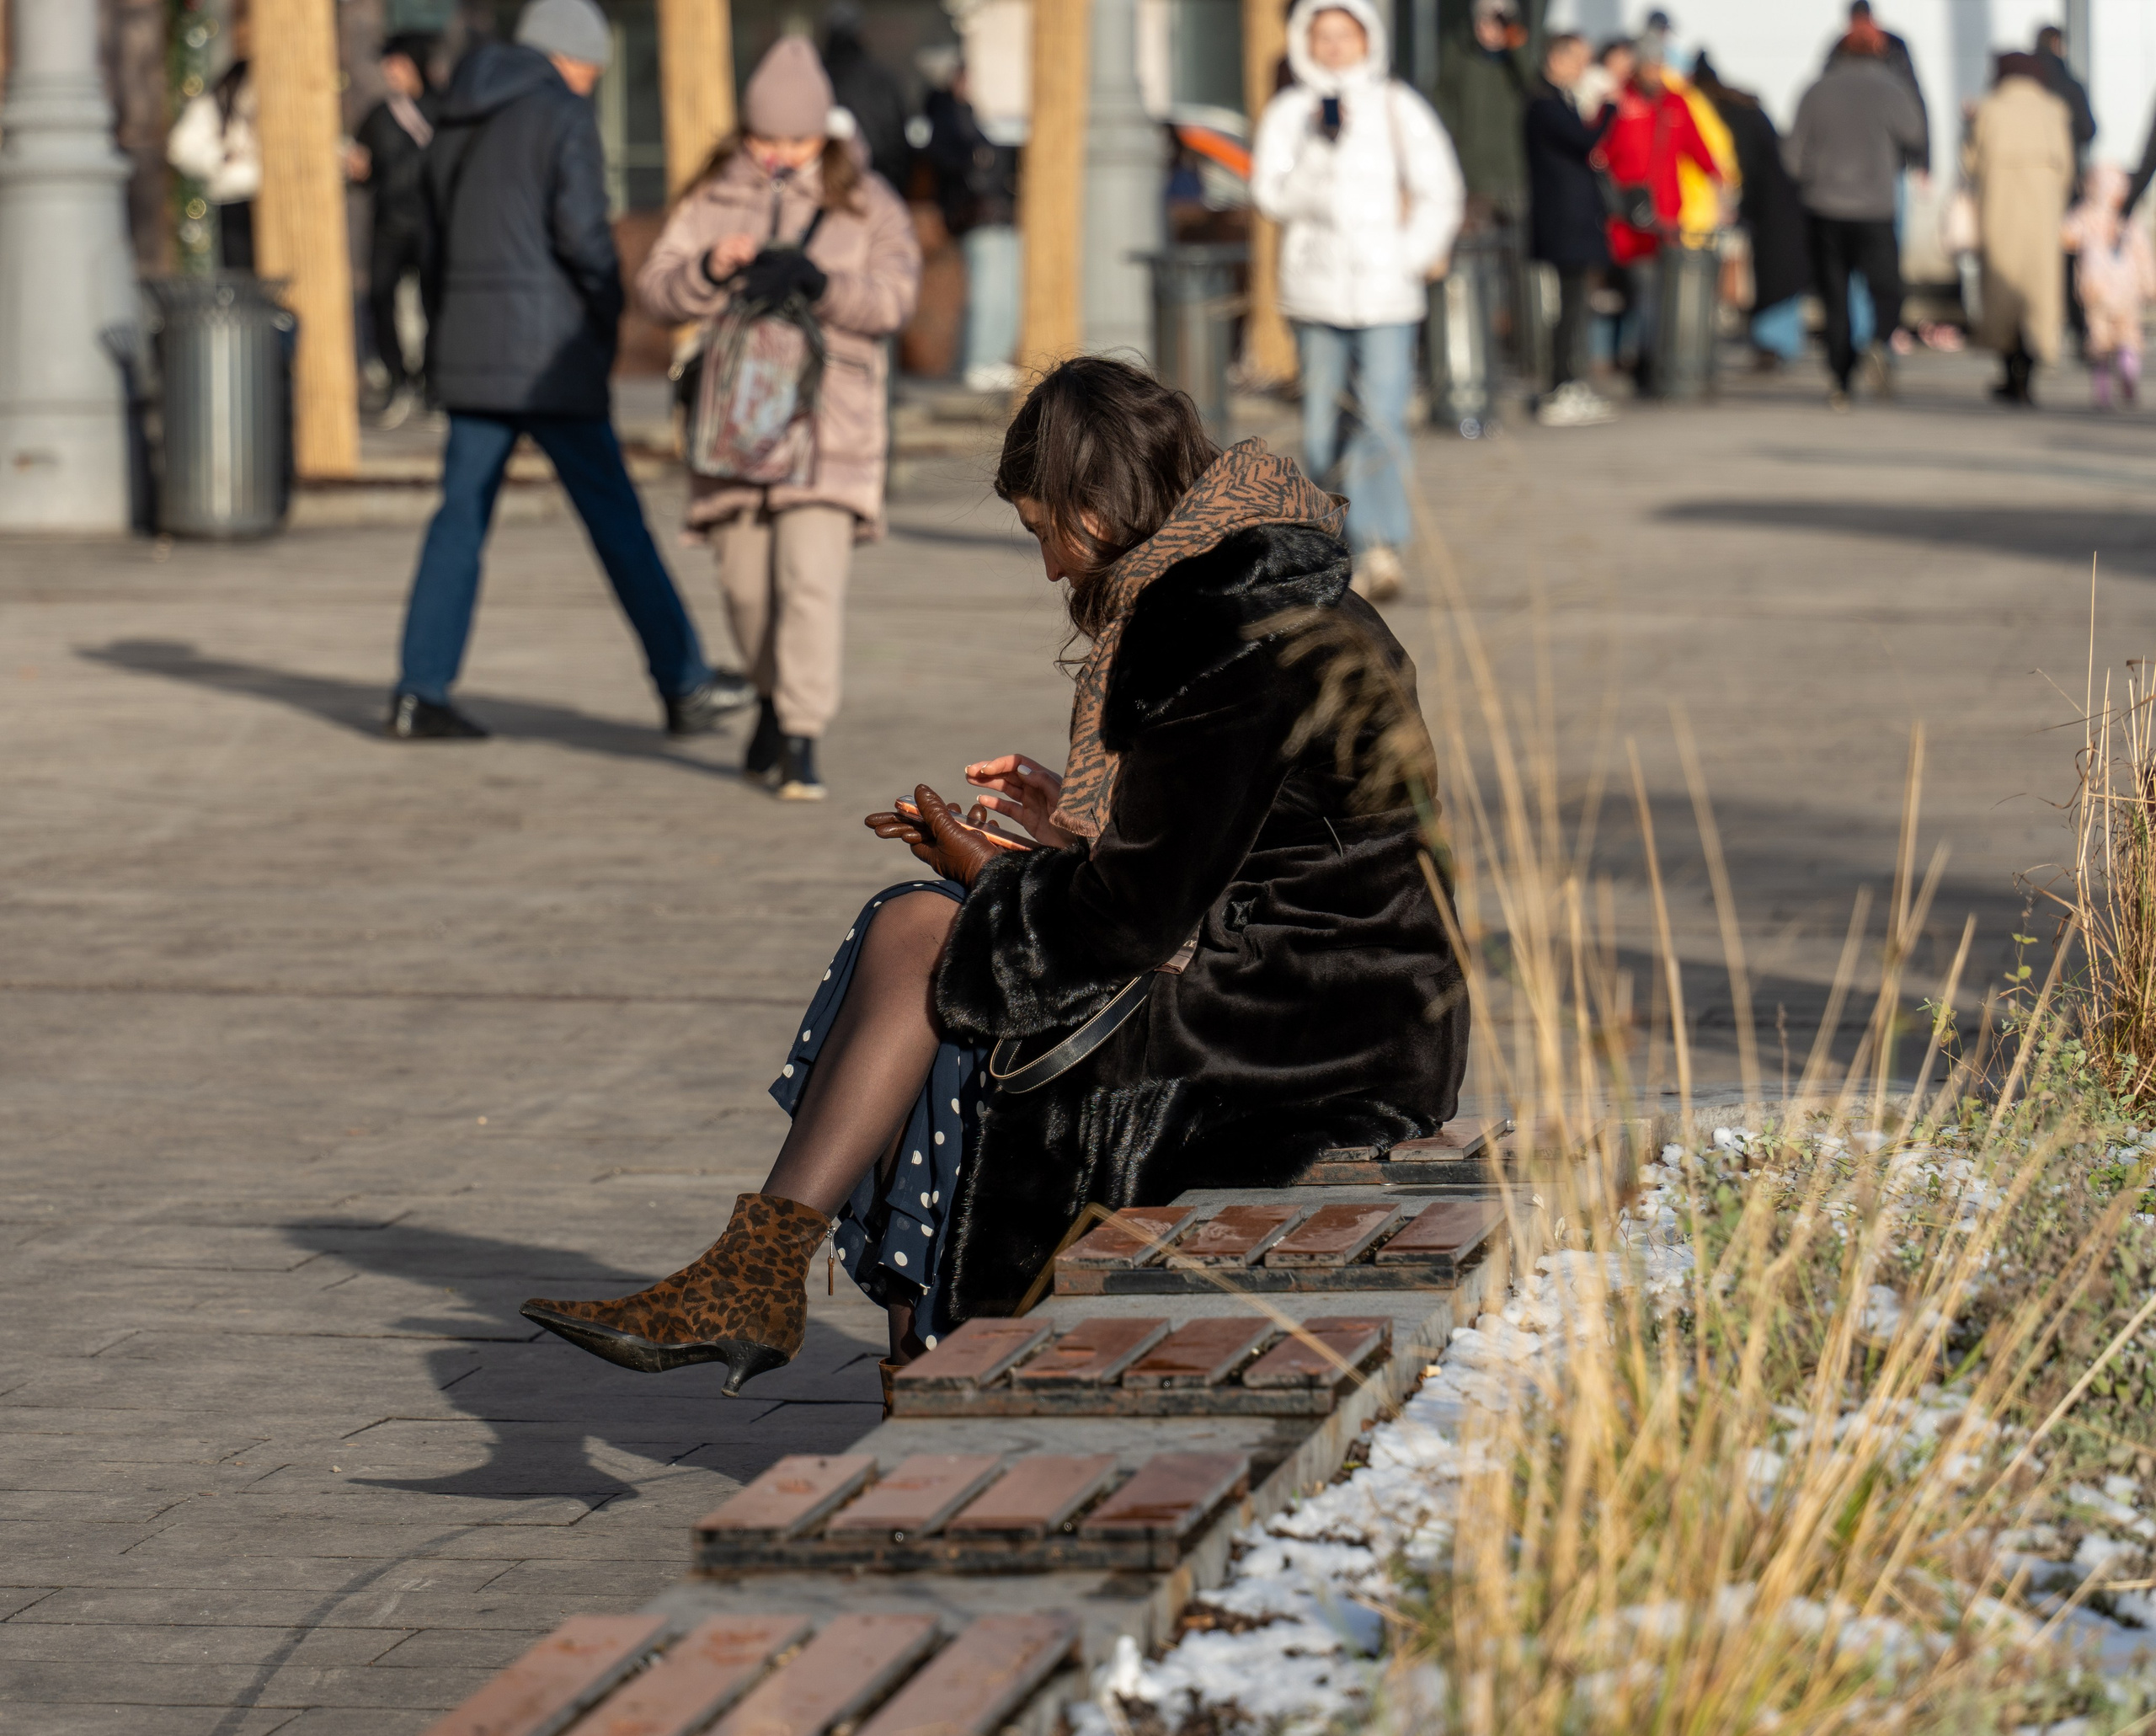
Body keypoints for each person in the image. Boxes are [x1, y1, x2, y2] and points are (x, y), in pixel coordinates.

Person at [518, 356, 1472, 1392]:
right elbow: (1241, 848)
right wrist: (1070, 830)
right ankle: (799, 1305)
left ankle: (829, 1321)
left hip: (1305, 1035)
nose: (1055, 570)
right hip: (1330, 991)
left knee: (925, 943)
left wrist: (987, 874)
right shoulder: (1260, 581)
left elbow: (1132, 926)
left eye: (1042, 532)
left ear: (1098, 509)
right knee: (931, 949)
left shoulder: (1220, 631)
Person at [387, 0, 753, 741]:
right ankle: (684, 682)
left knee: (458, 519)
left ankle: (418, 692)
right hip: (548, 357)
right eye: (591, 69)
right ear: (568, 57)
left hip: (471, 349)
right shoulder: (561, 113)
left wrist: (444, 334)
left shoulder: (455, 115)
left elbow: (428, 238)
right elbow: (585, 235)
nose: (590, 83)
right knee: (616, 520)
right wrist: (606, 311)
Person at [636, 39, 922, 801]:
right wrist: (708, 269)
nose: (780, 155)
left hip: (831, 428)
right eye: (766, 138)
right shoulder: (711, 197)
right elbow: (656, 290)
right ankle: (769, 698)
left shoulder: (867, 201)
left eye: (796, 140)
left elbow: (894, 299)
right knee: (748, 593)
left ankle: (800, 736)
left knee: (808, 584)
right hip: (732, 431)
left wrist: (821, 282)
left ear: (822, 135)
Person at [1252, 0, 1463, 604]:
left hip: (1387, 293)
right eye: (1324, 35)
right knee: (1321, 424)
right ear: (1306, 41)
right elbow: (1271, 196)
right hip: (1314, 291)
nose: (1335, 46)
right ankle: (1331, 542)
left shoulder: (1399, 106)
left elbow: (1439, 189)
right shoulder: (1291, 113)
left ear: (1368, 37)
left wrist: (1411, 254)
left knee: (1383, 416)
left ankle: (1379, 544)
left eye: (1346, 34)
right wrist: (1321, 150)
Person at [1785, 17, 1927, 409]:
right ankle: (1879, 341)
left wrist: (1816, 177)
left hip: (1825, 207)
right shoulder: (1892, 89)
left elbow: (1793, 157)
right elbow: (1914, 134)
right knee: (1886, 288)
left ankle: (1840, 380)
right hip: (1876, 208)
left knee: (1835, 297)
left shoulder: (1815, 92)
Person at [1596, 35, 1719, 393]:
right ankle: (1634, 358)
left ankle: (1646, 360)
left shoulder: (1676, 104)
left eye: (1657, 64)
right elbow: (1599, 150)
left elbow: (1697, 147)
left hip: (1665, 217)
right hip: (1626, 219)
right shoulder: (1620, 101)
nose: (1653, 71)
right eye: (1647, 64)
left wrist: (1721, 181)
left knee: (1655, 291)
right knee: (1637, 289)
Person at [1964, 52, 2075, 406]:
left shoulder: (1989, 109)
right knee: (2038, 296)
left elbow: (1970, 162)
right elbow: (2067, 169)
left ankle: (2010, 374)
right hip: (2042, 220)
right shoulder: (2053, 110)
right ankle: (2029, 373)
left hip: (2000, 216)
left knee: (2001, 292)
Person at [1691, 55, 1810, 371]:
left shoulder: (1723, 116)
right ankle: (1776, 343)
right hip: (1780, 206)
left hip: (1771, 208)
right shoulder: (1743, 108)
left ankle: (1772, 344)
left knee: (1773, 274)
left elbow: (1737, 168)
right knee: (1777, 274)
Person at [1523, 32, 1615, 426]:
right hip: (1563, 222)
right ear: (1557, 59)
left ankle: (1571, 382)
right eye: (1578, 58)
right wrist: (1609, 108)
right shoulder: (1544, 105)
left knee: (1578, 306)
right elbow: (1584, 141)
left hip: (1575, 222)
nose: (1584, 68)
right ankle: (1560, 386)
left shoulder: (1561, 101)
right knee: (1567, 308)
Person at [350, 34, 441, 429]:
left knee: (436, 304)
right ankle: (397, 379)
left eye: (397, 64)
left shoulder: (443, 110)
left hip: (432, 223)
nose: (391, 73)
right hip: (389, 223)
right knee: (380, 298)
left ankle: (433, 386)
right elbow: (363, 170)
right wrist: (357, 171)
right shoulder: (377, 116)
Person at [923, 61, 1021, 394]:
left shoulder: (983, 115)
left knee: (1001, 286)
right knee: (991, 288)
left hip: (993, 211)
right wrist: (978, 168)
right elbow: (953, 160)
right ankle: (982, 361)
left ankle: (986, 360)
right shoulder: (954, 114)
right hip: (979, 213)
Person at [164, 8, 258, 271]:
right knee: (244, 282)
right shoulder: (225, 90)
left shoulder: (292, 87)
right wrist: (221, 158)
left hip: (286, 201)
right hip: (237, 198)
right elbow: (181, 146)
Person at [2062, 162, 2155, 409]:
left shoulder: (2086, 214)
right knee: (2128, 336)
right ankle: (2128, 369)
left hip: (2095, 290)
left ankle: (2102, 390)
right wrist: (2150, 285)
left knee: (2099, 342)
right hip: (2127, 292)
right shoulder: (2129, 220)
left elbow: (2067, 238)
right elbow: (2144, 255)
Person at [1433, 0, 1532, 228]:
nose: (1490, 29)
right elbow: (1442, 100)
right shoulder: (1460, 54)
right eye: (1484, 20)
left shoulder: (1516, 61)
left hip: (1513, 173)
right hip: (1470, 173)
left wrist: (1512, 37)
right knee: (1475, 249)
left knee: (1514, 249)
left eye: (1499, 23)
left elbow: (1533, 86)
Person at [822, 2, 913, 195]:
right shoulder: (882, 78)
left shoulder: (819, 79)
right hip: (880, 184)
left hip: (833, 188)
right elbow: (898, 138)